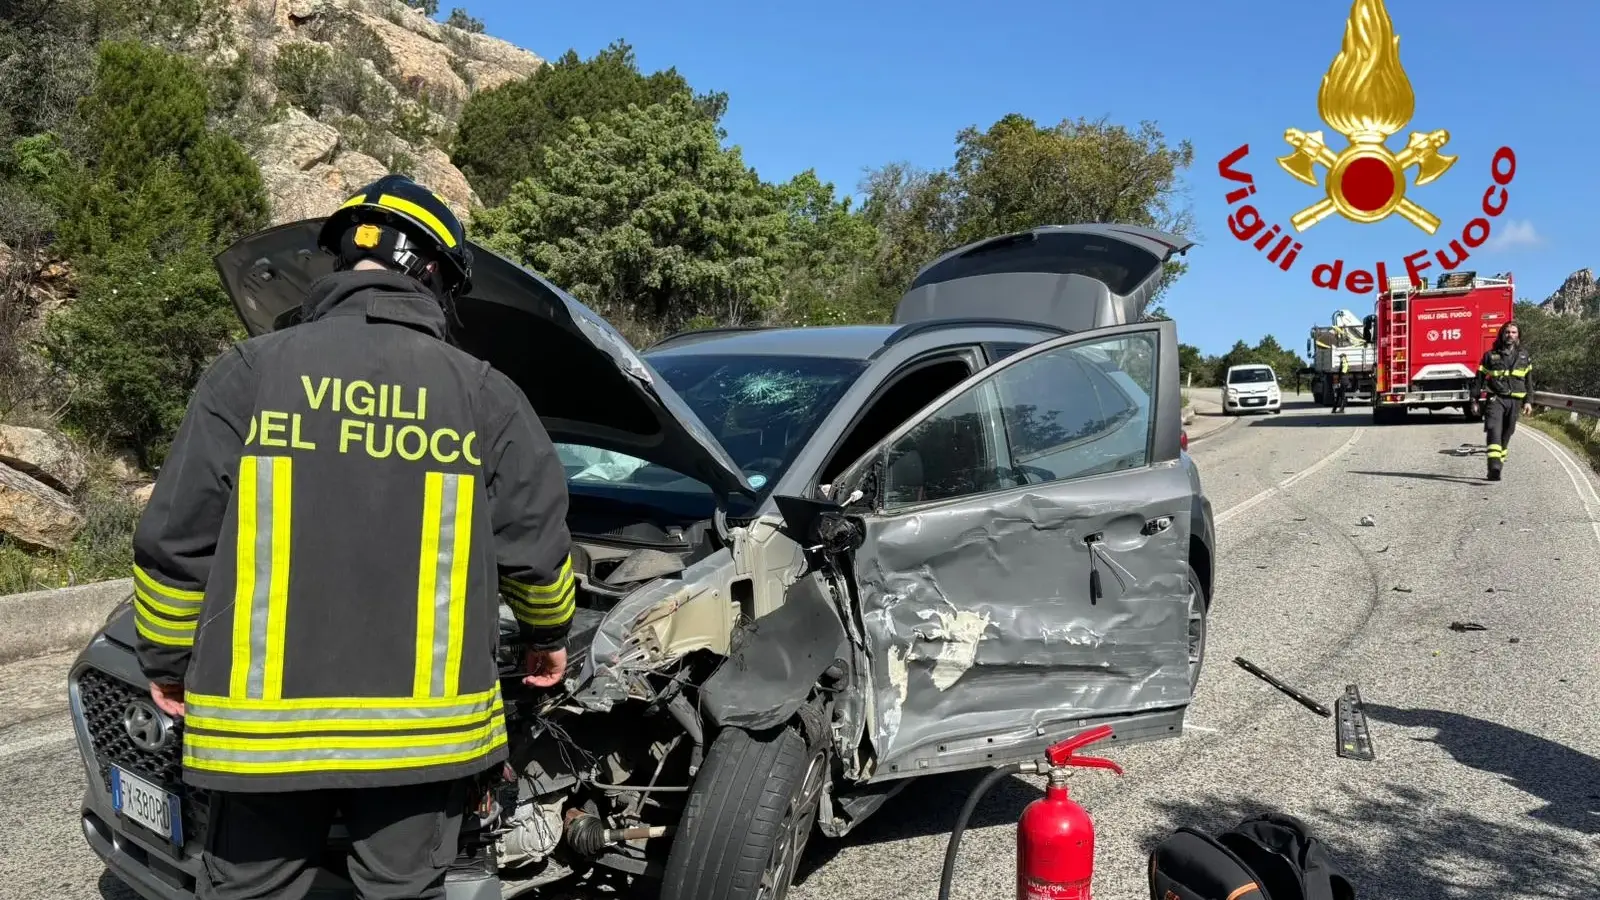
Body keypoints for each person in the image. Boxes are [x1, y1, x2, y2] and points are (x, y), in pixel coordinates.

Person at [130, 174, 576, 900]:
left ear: (340, 263)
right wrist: (547, 635)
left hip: (262, 739)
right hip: (423, 743)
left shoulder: (247, 374)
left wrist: (168, 659)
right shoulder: (484, 394)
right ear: (433, 272)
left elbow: (175, 546)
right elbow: (535, 549)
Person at [1475, 320, 1534, 481]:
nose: (1510, 335)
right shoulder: (1490, 356)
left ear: (1518, 336)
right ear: (1502, 335)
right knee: (1494, 428)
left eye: (1514, 332)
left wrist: (1529, 401)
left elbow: (1528, 380)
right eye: (1507, 332)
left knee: (1508, 432)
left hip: (1515, 400)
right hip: (1496, 398)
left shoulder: (1524, 356)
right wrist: (1474, 399)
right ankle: (1494, 465)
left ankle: (1499, 460)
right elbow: (1479, 379)